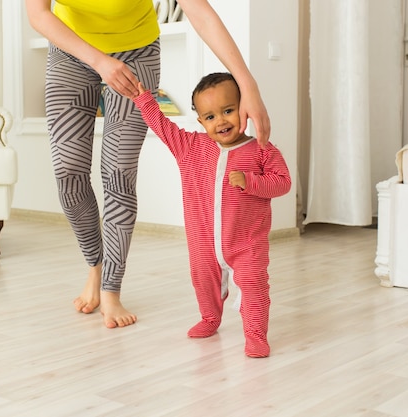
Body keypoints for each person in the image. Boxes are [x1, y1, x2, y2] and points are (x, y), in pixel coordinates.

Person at [25, 0, 272, 329]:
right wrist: (100, 62)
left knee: (119, 172)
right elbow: (38, 14)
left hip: (136, 52)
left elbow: (200, 12)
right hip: (69, 48)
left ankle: (111, 289)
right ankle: (95, 265)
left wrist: (247, 85)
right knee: (68, 172)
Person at [128, 73, 291, 357]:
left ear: (244, 108)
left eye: (228, 111)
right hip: (202, 241)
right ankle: (210, 318)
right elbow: (163, 126)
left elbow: (283, 182)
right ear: (201, 122)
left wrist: (252, 181)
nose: (222, 121)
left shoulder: (262, 150)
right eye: (211, 116)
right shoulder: (191, 147)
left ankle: (255, 334)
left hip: (246, 242)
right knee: (203, 281)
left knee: (254, 286)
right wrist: (144, 100)